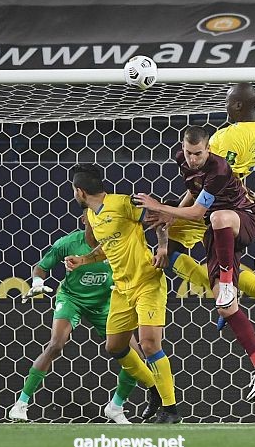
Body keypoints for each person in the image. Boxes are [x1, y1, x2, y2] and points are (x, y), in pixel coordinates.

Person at [134, 126, 255, 399]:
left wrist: (160, 207)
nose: (192, 159)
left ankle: (228, 283)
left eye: (198, 154)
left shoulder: (220, 169)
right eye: (188, 153)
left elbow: (199, 210)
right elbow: (194, 194)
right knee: (227, 309)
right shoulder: (182, 160)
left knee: (218, 217)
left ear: (208, 149)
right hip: (217, 235)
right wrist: (170, 219)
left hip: (242, 219)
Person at [165, 83, 255, 336]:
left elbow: (203, 183)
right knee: (228, 267)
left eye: (228, 102)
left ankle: (225, 299)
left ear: (238, 105)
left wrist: (173, 213)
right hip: (239, 206)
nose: (225, 106)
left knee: (170, 253)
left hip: (212, 205)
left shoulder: (221, 137)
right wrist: (253, 207)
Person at [8, 211, 160, 424]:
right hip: (72, 299)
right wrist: (37, 284)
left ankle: (116, 407)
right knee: (56, 345)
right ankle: (20, 404)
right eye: (94, 217)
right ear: (84, 220)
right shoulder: (68, 243)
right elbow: (41, 268)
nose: (100, 221)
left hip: (105, 302)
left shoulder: (115, 243)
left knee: (134, 356)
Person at [65, 164, 180, 423]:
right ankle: (153, 387)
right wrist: (84, 260)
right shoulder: (92, 216)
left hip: (147, 282)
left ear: (80, 191)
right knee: (115, 346)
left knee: (149, 344)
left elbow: (158, 217)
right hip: (122, 289)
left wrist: (162, 247)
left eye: (73, 190)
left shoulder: (122, 203)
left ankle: (170, 410)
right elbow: (108, 247)